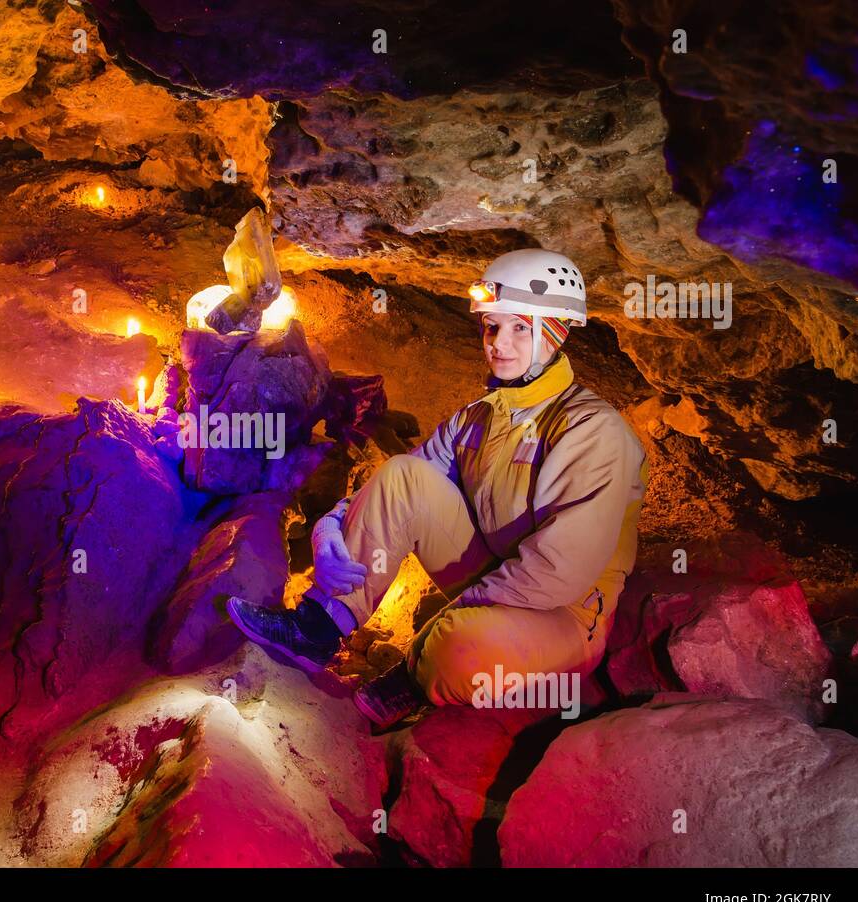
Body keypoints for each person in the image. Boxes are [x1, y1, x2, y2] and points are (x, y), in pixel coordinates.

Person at [226, 248, 649, 730]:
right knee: (403, 475)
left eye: (521, 328)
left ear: (557, 332)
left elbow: (559, 572)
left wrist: (451, 616)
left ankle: (414, 676)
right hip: (494, 572)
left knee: (457, 647)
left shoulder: (593, 432)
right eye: (492, 326)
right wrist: (327, 529)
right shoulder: (479, 417)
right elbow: (400, 485)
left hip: (561, 613)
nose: (499, 344)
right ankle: (317, 629)